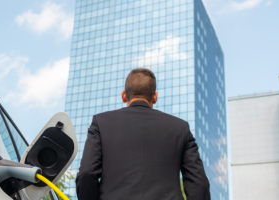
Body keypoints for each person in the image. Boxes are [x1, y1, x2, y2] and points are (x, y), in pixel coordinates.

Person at [76, 68, 210, 200]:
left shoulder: (101, 123)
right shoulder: (181, 128)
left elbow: (86, 174)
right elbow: (199, 184)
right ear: (155, 97)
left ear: (124, 95)